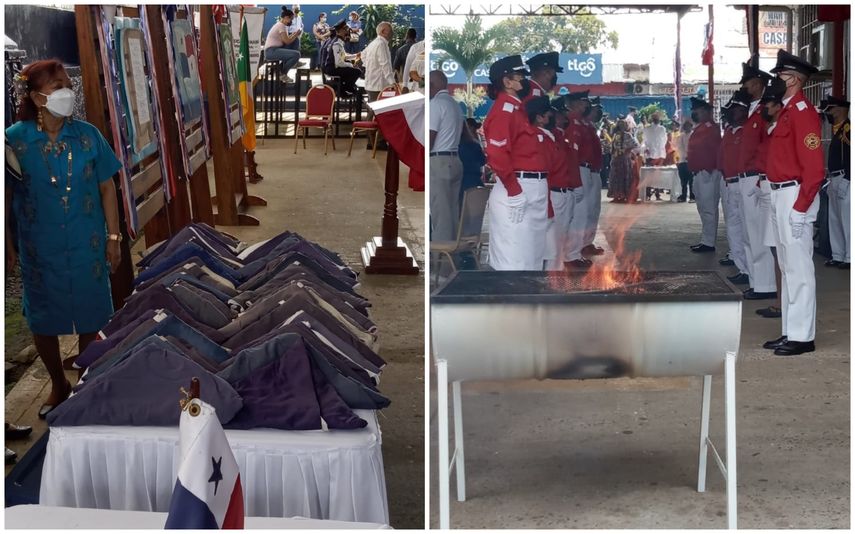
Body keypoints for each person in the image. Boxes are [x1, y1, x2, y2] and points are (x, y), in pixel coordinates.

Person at [6, 59, 123, 418]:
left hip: (87, 243)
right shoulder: (13, 141)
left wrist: (113, 237)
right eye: (57, 87)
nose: (66, 93)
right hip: (40, 248)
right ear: (38, 97)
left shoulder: (88, 135)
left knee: (92, 313)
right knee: (43, 318)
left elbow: (107, 187)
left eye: (66, 84)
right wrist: (7, 246)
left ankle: (86, 384)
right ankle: (58, 384)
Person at [761, 49, 823, 356]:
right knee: (787, 266)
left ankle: (802, 336)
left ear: (795, 79)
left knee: (798, 267)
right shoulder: (787, 111)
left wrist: (801, 208)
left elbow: (814, 167)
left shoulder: (802, 112)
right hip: (779, 192)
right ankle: (790, 329)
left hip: (794, 195)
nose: (776, 80)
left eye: (780, 75)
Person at [482, 55, 549, 270]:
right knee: (514, 261)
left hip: (529, 187)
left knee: (531, 259)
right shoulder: (505, 110)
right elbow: (497, 153)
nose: (524, 81)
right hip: (517, 189)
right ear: (506, 82)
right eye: (519, 77)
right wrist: (513, 190)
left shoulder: (517, 109)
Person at [736, 62, 778, 303]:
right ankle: (756, 281)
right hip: (744, 176)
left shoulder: (765, 110)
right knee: (748, 234)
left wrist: (762, 176)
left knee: (759, 234)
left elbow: (768, 145)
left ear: (760, 83)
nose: (746, 87)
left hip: (755, 176)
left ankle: (765, 285)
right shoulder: (752, 109)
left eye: (750, 83)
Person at [717, 91, 751, 289]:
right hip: (730, 182)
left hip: (743, 181)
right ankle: (742, 267)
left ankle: (749, 270)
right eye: (733, 109)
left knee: (747, 230)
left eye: (739, 109)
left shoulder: (748, 129)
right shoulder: (730, 131)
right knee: (733, 228)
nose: (734, 113)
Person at [544, 97, 582, 270]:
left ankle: (557, 272)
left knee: (562, 235)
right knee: (555, 239)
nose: (564, 118)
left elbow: (570, 163)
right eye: (561, 115)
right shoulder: (551, 137)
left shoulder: (559, 136)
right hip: (556, 191)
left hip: (565, 189)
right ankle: (553, 275)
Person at [429, 70, 464, 242]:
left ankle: (439, 262)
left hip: (439, 161)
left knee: (441, 215)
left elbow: (430, 137)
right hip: (454, 159)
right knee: (452, 212)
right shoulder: (454, 104)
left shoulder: (436, 104)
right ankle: (452, 257)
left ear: (431, 85)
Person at [687, 97, 722, 253]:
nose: (694, 113)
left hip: (708, 172)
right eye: (694, 111)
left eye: (697, 111)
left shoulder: (711, 128)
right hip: (699, 173)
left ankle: (709, 242)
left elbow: (716, 151)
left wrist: (710, 169)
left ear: (706, 112)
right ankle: (705, 239)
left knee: (709, 208)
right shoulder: (700, 127)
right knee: (702, 207)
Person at [563, 91, 593, 265]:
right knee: (578, 214)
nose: (585, 106)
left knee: (583, 213)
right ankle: (571, 255)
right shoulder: (572, 122)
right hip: (578, 169)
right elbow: (572, 154)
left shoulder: (580, 122)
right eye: (582, 102)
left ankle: (575, 251)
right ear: (573, 104)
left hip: (585, 169)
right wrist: (576, 181)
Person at [821, 97, 850, 269]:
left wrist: (848, 179)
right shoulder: (835, 130)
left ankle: (849, 257)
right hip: (833, 177)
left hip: (845, 177)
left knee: (846, 219)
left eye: (830, 110)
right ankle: (838, 255)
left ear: (839, 110)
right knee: (835, 219)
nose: (828, 114)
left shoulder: (848, 129)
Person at [264, 7, 302, 83]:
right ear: (286, 18)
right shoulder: (280, 26)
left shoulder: (283, 26)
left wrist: (294, 35)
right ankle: (283, 74)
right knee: (296, 55)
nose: (291, 21)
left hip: (277, 49)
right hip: (271, 51)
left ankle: (294, 63)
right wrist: (295, 35)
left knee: (295, 40)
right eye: (291, 19)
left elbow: (286, 40)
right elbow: (287, 41)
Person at [325, 20, 361, 96]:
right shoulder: (337, 43)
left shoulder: (339, 41)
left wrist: (355, 55)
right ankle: (345, 89)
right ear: (340, 31)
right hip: (332, 68)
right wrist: (351, 65)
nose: (347, 31)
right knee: (357, 72)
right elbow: (339, 62)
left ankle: (343, 89)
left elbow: (344, 56)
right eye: (345, 29)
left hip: (334, 67)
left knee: (354, 69)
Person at [607, 119, 639, 204]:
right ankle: (616, 196)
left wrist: (628, 151)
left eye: (623, 125)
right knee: (615, 177)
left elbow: (635, 145)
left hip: (624, 158)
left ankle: (623, 195)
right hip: (616, 158)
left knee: (624, 177)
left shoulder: (628, 135)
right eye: (620, 125)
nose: (622, 126)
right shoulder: (615, 135)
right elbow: (612, 147)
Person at [363, 22, 395, 102]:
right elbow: (385, 64)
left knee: (373, 110)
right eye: (391, 30)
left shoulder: (373, 43)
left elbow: (363, 55)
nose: (392, 32)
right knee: (378, 111)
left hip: (371, 83)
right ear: (383, 31)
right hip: (379, 85)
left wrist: (371, 67)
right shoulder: (381, 44)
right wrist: (392, 83)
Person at [458, 118, 486, 205]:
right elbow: (483, 160)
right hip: (474, 179)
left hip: (461, 179)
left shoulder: (455, 144)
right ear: (469, 128)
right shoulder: (475, 144)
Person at [641, 112, 668, 200]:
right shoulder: (659, 129)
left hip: (655, 154)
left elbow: (644, 141)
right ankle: (652, 194)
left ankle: (653, 194)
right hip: (656, 154)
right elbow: (664, 141)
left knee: (653, 174)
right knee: (654, 175)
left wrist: (647, 148)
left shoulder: (660, 129)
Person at [674, 120, 694, 202]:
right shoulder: (680, 136)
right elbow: (679, 147)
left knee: (691, 180)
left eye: (688, 126)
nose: (686, 127)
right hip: (682, 160)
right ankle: (683, 195)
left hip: (691, 160)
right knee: (683, 180)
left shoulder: (693, 135)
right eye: (685, 126)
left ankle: (692, 196)